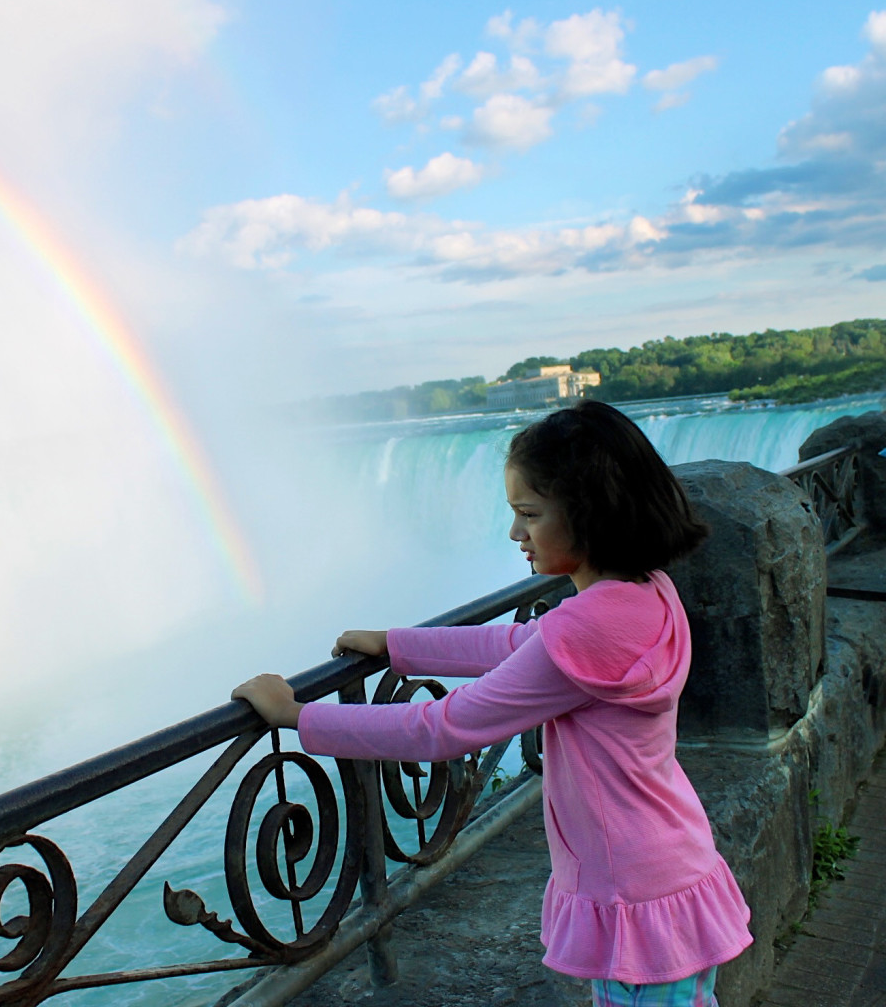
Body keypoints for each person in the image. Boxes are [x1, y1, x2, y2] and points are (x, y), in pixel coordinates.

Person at [232, 400, 752, 1007]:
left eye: (528, 514)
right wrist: (398, 645)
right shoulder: (645, 593)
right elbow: (519, 642)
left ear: (591, 513)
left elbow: (444, 727)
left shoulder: (584, 628)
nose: (515, 534)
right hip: (673, 862)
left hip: (631, 890)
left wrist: (297, 715)